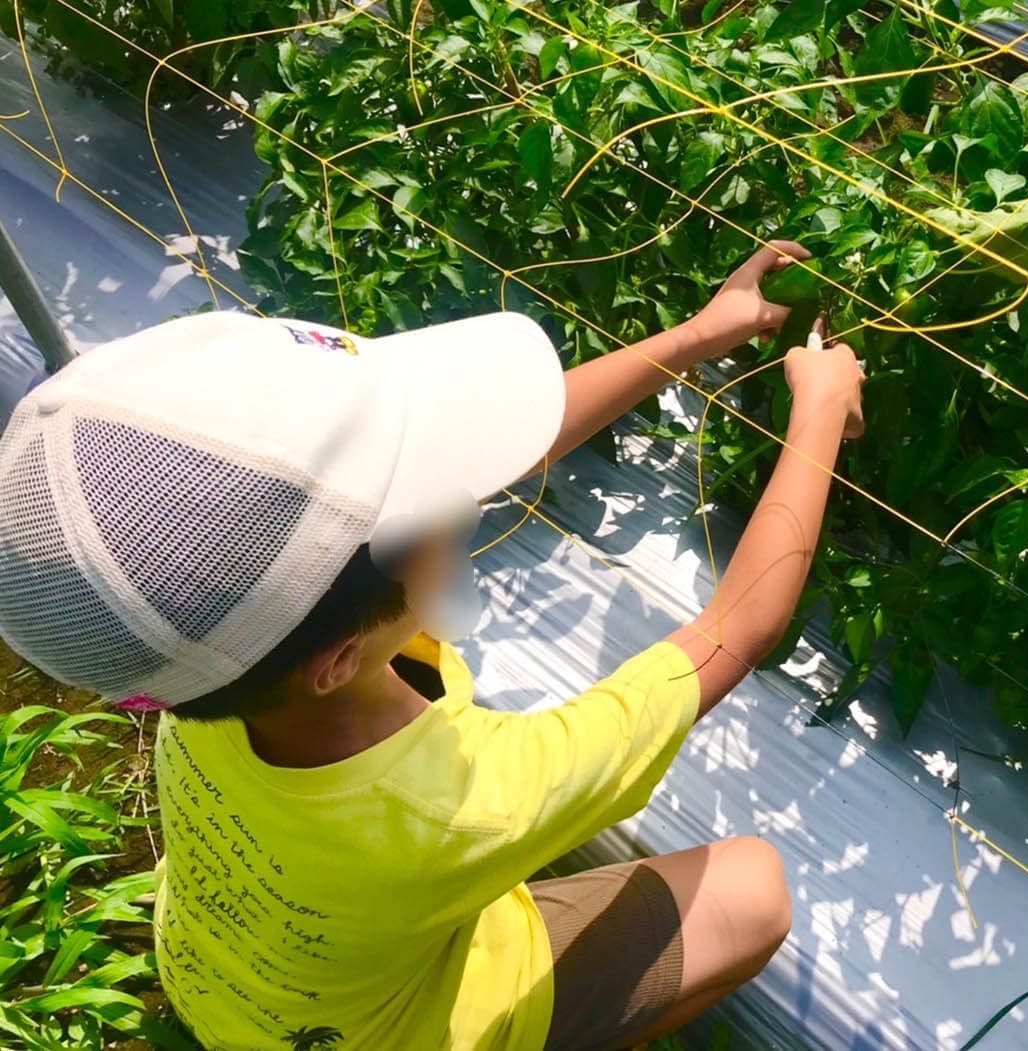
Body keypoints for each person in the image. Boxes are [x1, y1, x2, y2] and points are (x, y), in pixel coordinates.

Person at [0, 240, 866, 1051]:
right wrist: (821, 409)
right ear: (338, 659)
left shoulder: (194, 647)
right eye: (434, 511)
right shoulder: (469, 801)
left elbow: (406, 502)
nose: (463, 507)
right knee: (754, 889)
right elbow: (739, 626)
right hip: (394, 1032)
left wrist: (700, 334)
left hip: (224, 989)